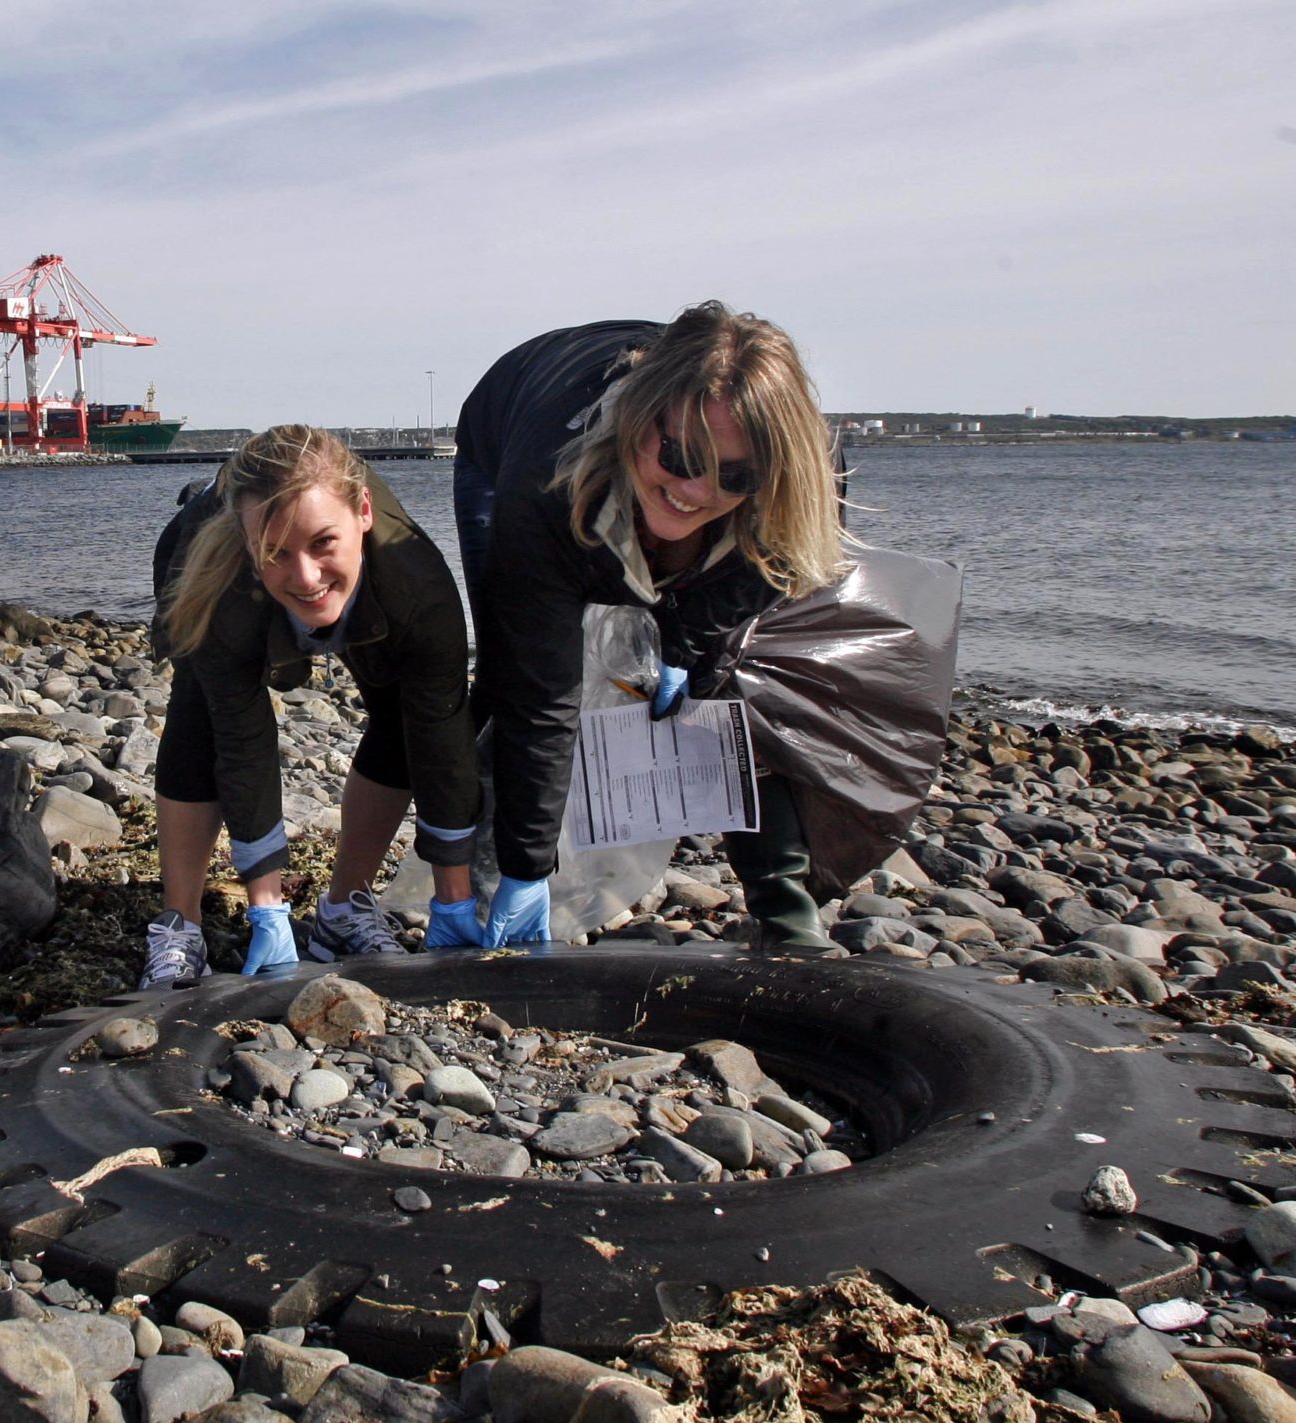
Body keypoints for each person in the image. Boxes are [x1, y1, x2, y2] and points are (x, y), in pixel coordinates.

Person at [454, 303, 853, 952]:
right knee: (513, 681)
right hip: (509, 435)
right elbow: (543, 696)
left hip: (649, 485)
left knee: (729, 681)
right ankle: (482, 888)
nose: (698, 489)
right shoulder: (545, 479)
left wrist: (688, 646)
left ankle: (786, 912)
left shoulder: (802, 476)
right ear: (643, 419)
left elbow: (755, 583)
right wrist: (530, 866)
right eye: (680, 452)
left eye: (736, 475)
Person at [139, 425, 483, 988]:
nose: (305, 576)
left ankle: (344, 910)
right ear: (252, 548)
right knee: (200, 716)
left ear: (364, 512)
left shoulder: (417, 584)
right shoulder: (217, 583)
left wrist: (455, 900)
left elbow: (441, 732)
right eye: (275, 551)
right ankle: (181, 923)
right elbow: (243, 742)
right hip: (204, 570)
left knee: (405, 712)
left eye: (324, 542)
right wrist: (267, 909)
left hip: (377, 581)